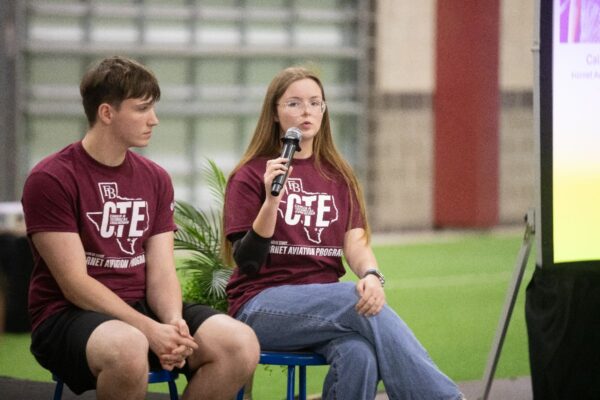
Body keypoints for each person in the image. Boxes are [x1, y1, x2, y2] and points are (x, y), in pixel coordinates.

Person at [21, 56, 259, 400]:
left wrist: (173, 322)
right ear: (107, 113)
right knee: (129, 347)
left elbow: (161, 271)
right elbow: (74, 284)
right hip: (66, 316)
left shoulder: (156, 178)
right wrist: (149, 330)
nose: (154, 120)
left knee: (239, 343)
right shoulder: (51, 178)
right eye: (142, 109)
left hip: (141, 308)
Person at [222, 66, 465, 400]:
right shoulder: (250, 175)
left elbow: (356, 243)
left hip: (323, 307)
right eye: (293, 103)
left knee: (359, 354)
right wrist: (272, 198)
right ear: (275, 114)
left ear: (324, 110)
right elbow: (247, 261)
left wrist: (372, 275)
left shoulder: (338, 176)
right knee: (353, 298)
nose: (306, 111)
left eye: (315, 103)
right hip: (261, 306)